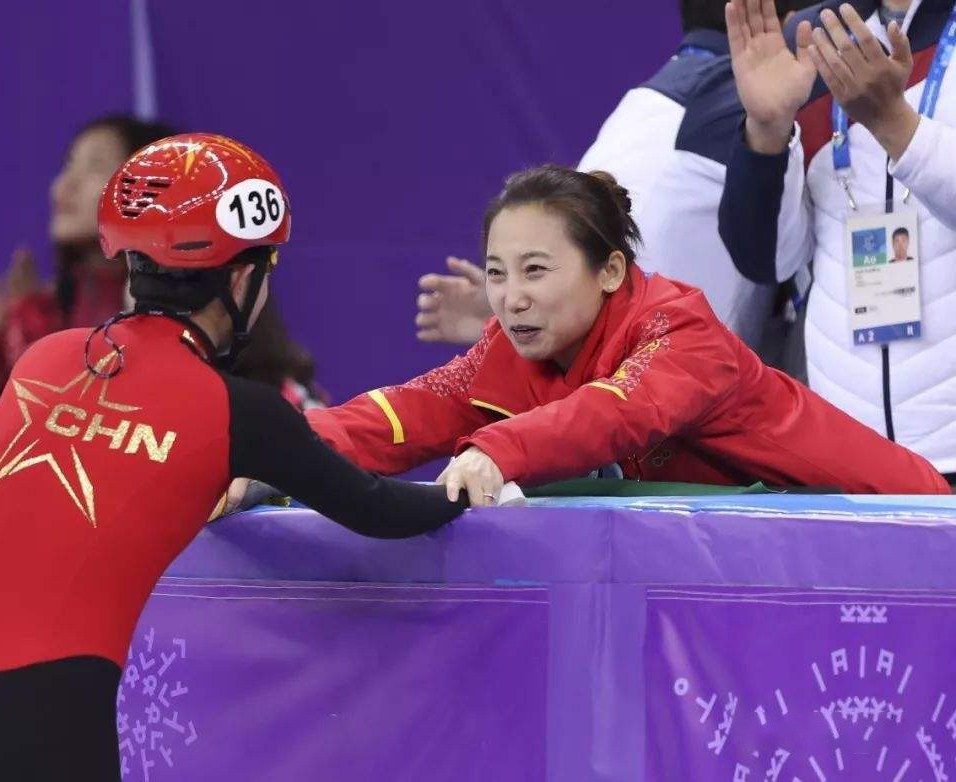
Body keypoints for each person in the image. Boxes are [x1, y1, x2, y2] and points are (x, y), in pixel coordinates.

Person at [0, 134, 466, 781]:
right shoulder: (241, 412)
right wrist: (478, 478)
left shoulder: (43, 356)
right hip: (45, 716)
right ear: (242, 279)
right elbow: (380, 510)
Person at [308, 165, 949, 502]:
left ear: (610, 271)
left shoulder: (681, 330)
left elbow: (614, 412)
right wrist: (288, 450)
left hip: (903, 526)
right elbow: (415, 407)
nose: (510, 296)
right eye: (497, 273)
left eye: (536, 270)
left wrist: (495, 451)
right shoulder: (510, 347)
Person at [415, 0, 815, 362]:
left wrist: (523, 317)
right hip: (661, 392)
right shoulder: (733, 99)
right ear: (788, 21)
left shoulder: (644, 103)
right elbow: (780, 257)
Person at [0, 115, 323, 463]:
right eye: (68, 164)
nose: (63, 185)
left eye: (94, 166)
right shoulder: (38, 317)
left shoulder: (219, 315)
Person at [718, 0, 956, 485]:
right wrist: (766, 130)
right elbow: (768, 260)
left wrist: (896, 125)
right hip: (845, 459)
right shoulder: (815, 38)